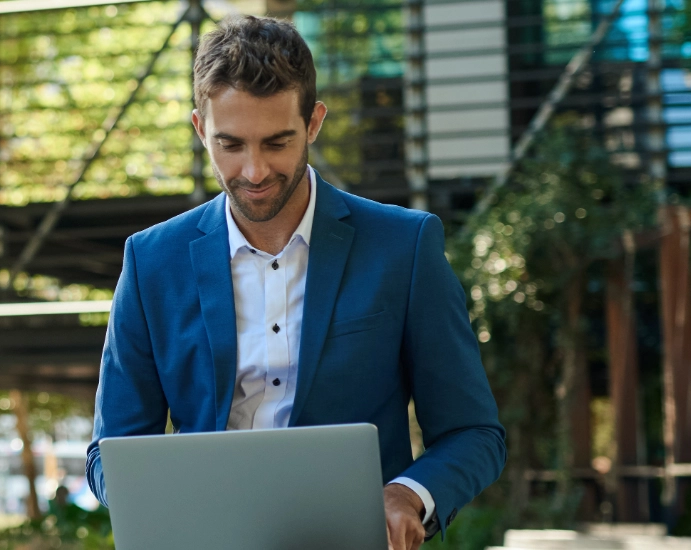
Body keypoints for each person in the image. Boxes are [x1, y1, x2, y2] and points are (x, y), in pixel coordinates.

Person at [83, 16, 506, 550]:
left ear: (313, 122)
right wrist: (169, 508)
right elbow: (110, 453)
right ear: (199, 128)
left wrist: (406, 494)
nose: (254, 171)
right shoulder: (150, 262)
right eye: (230, 144)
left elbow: (475, 433)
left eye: (277, 142)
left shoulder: (404, 247)